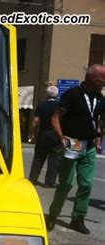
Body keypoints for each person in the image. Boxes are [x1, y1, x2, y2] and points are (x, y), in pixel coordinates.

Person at [46, 64, 105, 234]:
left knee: (86, 184)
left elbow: (99, 117)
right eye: (103, 79)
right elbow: (55, 118)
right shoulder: (72, 95)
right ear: (95, 79)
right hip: (72, 144)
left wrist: (98, 133)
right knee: (65, 184)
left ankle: (78, 218)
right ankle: (53, 215)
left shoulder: (100, 98)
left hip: (89, 146)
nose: (104, 83)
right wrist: (61, 136)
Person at [28, 85, 61, 187]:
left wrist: (31, 133)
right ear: (56, 95)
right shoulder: (59, 105)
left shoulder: (41, 104)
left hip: (43, 134)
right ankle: (49, 182)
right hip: (55, 135)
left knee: (38, 157)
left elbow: (35, 120)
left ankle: (32, 179)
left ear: (47, 94)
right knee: (54, 159)